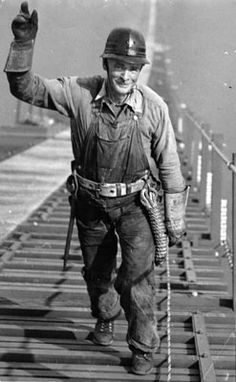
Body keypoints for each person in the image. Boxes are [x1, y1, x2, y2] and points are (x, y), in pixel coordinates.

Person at [4, 2, 188, 376]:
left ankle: (141, 347)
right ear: (106, 65)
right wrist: (23, 44)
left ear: (140, 71)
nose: (125, 75)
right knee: (97, 272)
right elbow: (27, 89)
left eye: (133, 68)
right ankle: (105, 316)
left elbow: (169, 166)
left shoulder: (154, 109)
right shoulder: (79, 93)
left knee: (138, 280)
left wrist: (175, 221)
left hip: (136, 205)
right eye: (118, 65)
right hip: (90, 201)